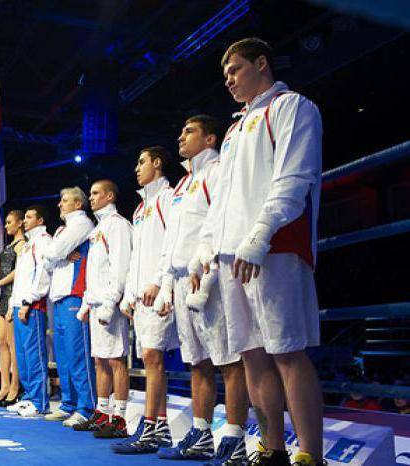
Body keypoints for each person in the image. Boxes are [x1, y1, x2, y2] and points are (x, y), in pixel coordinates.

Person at [196, 37, 324, 466]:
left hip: (277, 246)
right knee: (252, 355)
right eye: (225, 74)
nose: (228, 80)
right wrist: (207, 251)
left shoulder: (292, 107)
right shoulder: (234, 131)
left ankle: (310, 455)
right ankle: (272, 450)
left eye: (235, 69)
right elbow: (221, 202)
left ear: (262, 63)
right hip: (231, 256)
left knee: (287, 351)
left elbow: (294, 177)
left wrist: (260, 234)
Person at [153, 115, 249, 464]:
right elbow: (171, 241)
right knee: (197, 360)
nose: (181, 136)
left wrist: (207, 271)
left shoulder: (217, 170)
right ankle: (201, 434)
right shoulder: (182, 185)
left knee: (229, 360)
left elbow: (219, 223)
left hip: (209, 275)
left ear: (210, 139)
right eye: (181, 130)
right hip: (182, 280)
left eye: (189, 131)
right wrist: (166, 283)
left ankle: (235, 438)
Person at [112, 146, 178, 454]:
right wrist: (129, 293)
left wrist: (161, 283)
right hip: (140, 296)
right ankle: (160, 426)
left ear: (157, 163)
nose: (136, 168)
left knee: (153, 357)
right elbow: (136, 255)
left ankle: (150, 427)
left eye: (142, 162)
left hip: (156, 291)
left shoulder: (168, 197)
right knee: (150, 358)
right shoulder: (140, 209)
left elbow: (171, 244)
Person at [74, 179, 132, 438]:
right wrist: (87, 301)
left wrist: (111, 301)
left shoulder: (118, 225)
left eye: (96, 193)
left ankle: (120, 418)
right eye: (90, 193)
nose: (91, 197)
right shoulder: (98, 229)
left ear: (110, 196)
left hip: (111, 304)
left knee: (116, 359)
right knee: (99, 360)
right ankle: (102, 412)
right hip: (96, 303)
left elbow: (120, 266)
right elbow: (94, 271)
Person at [42, 187, 97, 427]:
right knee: (63, 357)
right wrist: (60, 255)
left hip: (75, 294)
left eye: (64, 200)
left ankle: (87, 407)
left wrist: (58, 254)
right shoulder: (62, 229)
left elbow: (53, 251)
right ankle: (68, 404)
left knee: (77, 354)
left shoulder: (82, 222)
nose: (59, 204)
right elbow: (47, 259)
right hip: (60, 297)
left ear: (78, 204)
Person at [7, 205, 53, 417]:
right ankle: (28, 397)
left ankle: (40, 401)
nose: (24, 220)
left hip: (33, 306)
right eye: (24, 217)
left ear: (40, 220)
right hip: (20, 304)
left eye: (29, 217)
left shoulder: (44, 241)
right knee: (23, 355)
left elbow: (42, 274)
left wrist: (28, 301)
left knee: (34, 354)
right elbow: (21, 278)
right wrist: (13, 304)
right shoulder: (28, 244)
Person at [0, 210, 25, 407]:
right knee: (1, 341)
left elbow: (19, 272)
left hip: (13, 294)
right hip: (3, 295)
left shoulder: (23, 245)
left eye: (10, 222)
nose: (6, 225)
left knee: (12, 343)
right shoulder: (10, 245)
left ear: (20, 223)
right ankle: (4, 385)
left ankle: (15, 387)